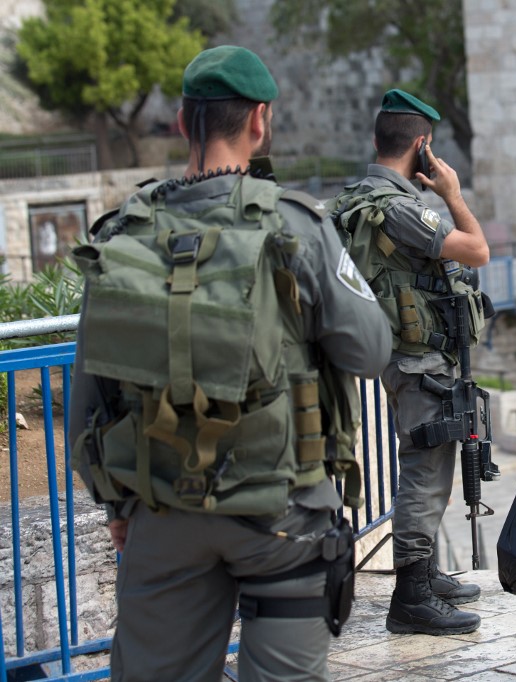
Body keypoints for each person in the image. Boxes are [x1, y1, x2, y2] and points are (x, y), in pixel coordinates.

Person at [68, 46, 392, 681]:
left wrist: (115, 507)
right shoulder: (298, 225)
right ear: (259, 122)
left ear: (185, 122)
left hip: (163, 514)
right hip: (286, 513)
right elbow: (371, 350)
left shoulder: (120, 236)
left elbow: (88, 398)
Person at [336, 89, 490, 636]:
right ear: (422, 145)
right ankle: (412, 596)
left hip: (402, 352)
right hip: (418, 359)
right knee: (425, 473)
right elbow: (477, 249)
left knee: (431, 467)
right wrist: (451, 192)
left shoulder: (356, 196)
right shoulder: (399, 206)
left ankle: (423, 573)